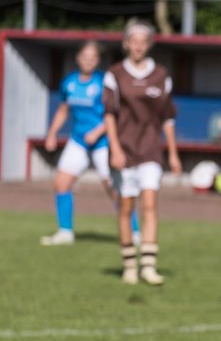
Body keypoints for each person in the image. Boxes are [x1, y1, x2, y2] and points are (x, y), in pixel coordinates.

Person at [103, 20, 181, 286]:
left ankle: (148, 264)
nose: (137, 46)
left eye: (142, 41)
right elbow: (109, 115)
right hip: (123, 150)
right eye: (132, 41)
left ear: (149, 44)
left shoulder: (161, 75)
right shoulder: (114, 74)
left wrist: (172, 153)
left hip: (150, 150)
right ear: (126, 43)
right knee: (126, 207)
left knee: (150, 203)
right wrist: (114, 149)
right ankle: (129, 266)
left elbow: (167, 118)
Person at [40, 41, 128, 246]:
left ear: (97, 60)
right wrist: (52, 133)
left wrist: (98, 131)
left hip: (103, 141)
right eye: (85, 56)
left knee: (114, 188)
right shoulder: (69, 82)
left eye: (93, 57)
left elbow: (116, 114)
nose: (88, 60)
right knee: (61, 183)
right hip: (78, 140)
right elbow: (64, 110)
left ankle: (134, 232)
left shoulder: (104, 82)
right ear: (78, 58)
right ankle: (65, 232)